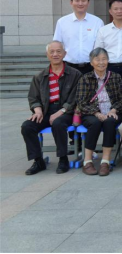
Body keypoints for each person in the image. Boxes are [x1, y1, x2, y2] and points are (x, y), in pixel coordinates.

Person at [22, 41, 81, 175]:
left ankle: (63, 159)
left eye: (59, 51)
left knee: (58, 123)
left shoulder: (75, 74)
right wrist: (37, 110)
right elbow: (33, 97)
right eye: (52, 52)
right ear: (47, 55)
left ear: (64, 54)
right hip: (45, 111)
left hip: (67, 112)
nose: (55, 54)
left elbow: (76, 97)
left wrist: (61, 111)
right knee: (27, 126)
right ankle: (38, 160)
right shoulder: (40, 76)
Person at [75, 48, 122, 176]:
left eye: (104, 59)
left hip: (112, 111)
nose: (101, 62)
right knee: (95, 123)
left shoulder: (115, 77)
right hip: (91, 113)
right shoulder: (85, 78)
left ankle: (105, 161)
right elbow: (81, 102)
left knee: (110, 122)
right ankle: (87, 161)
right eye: (97, 60)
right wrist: (97, 113)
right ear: (91, 62)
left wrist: (114, 109)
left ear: (108, 61)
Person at [53, 0, 104, 74]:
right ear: (71, 2)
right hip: (68, 67)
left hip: (91, 67)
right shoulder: (62, 22)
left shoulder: (97, 22)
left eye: (83, 0)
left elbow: (101, 46)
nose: (80, 3)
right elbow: (57, 44)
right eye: (77, 0)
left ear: (88, 2)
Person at [95, 0, 122, 85]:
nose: (119, 11)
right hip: (108, 68)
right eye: (115, 9)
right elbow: (98, 51)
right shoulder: (103, 30)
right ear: (110, 11)